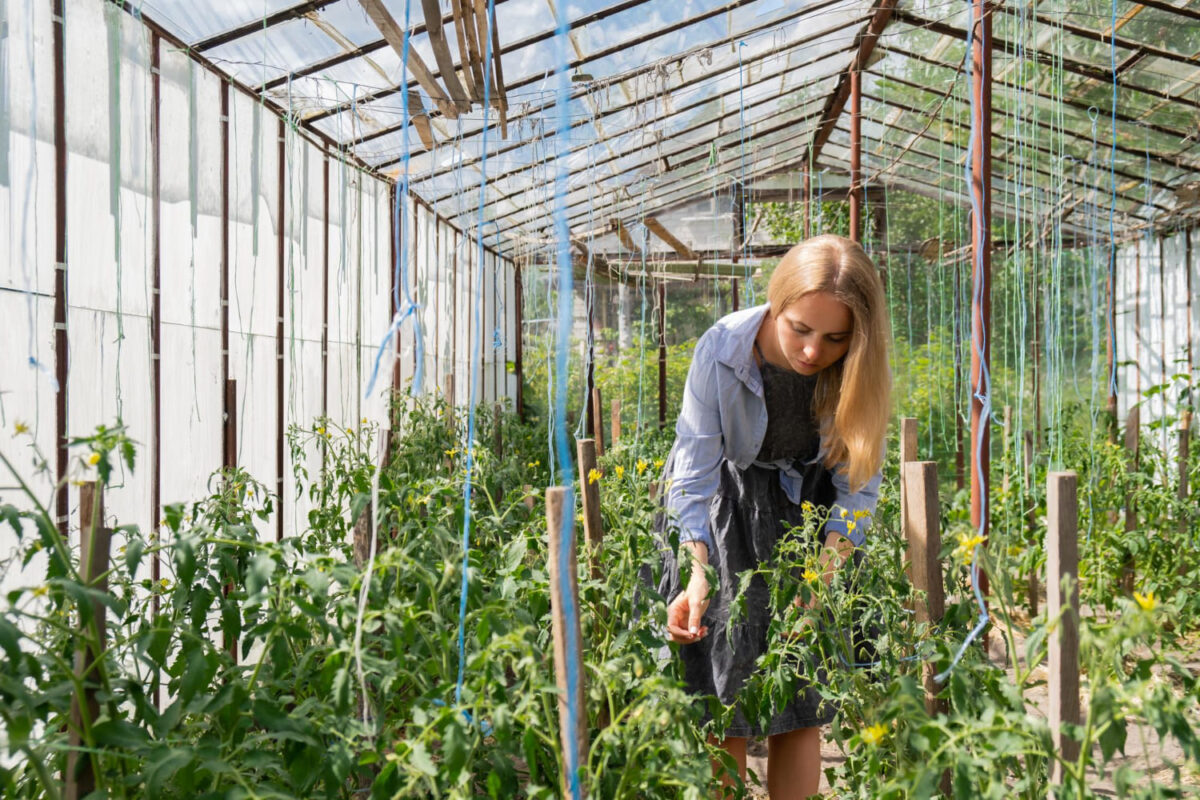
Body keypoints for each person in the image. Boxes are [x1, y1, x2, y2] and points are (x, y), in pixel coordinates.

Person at [657, 234, 891, 799]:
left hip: (811, 520)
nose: (812, 352)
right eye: (800, 329)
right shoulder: (722, 349)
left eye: (835, 338)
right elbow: (693, 474)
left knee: (799, 694)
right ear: (776, 304)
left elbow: (856, 490)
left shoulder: (860, 367)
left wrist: (822, 580)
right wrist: (696, 572)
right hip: (724, 510)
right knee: (723, 695)